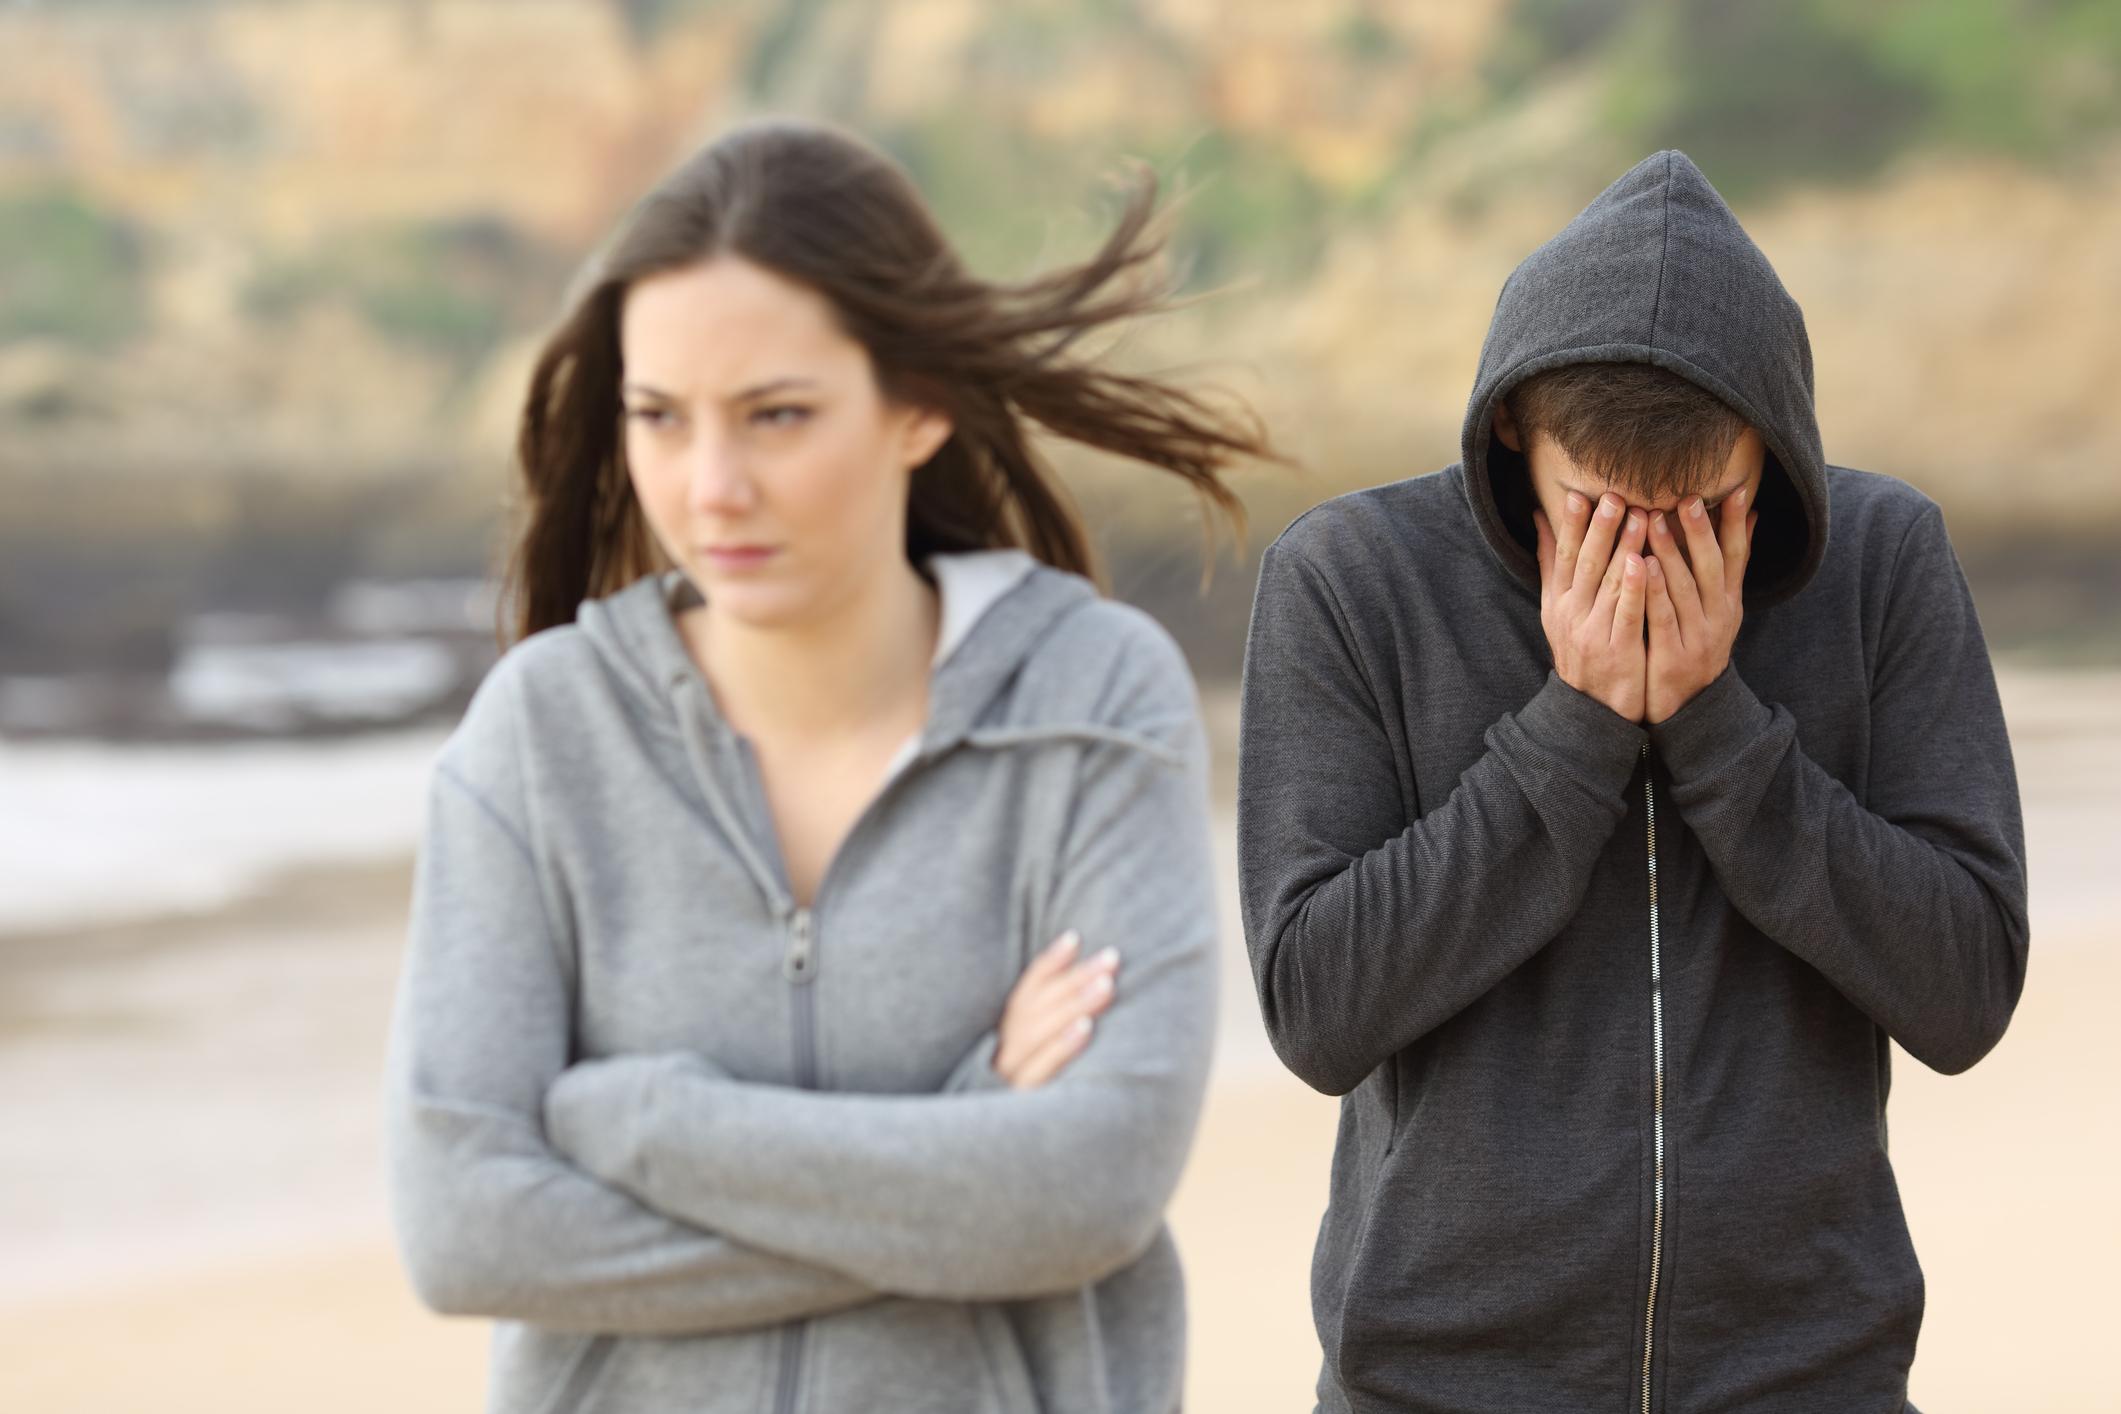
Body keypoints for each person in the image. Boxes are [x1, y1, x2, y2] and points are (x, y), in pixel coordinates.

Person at [386, 121, 1267, 1414]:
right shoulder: (542, 732)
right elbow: (466, 1228)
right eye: (660, 418)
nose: (711, 486)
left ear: (918, 404)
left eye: (777, 415)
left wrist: (637, 1123)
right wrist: (969, 1139)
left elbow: (1086, 1192)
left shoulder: (1091, 702)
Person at [1236, 151, 2026, 1412]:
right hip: (1436, 1382)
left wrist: (1720, 727)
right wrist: (1575, 726)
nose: (1648, 565)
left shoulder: (1883, 564)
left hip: (1813, 1373)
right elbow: (1317, 1007)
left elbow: (1967, 989)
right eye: (1598, 513)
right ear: (1512, 430)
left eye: (1709, 512)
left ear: (1774, 454)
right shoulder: (1352, 581)